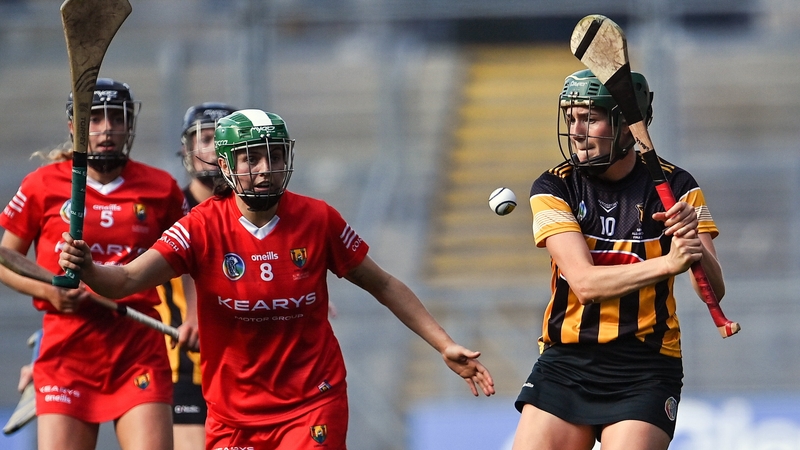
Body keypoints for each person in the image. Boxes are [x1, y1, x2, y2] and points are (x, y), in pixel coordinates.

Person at [59, 108, 496, 450]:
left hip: (312, 401)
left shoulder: (318, 218)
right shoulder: (200, 226)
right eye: (252, 157)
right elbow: (126, 280)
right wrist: (89, 268)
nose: (266, 167)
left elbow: (382, 284)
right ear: (227, 165)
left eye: (275, 154)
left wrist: (443, 343)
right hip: (233, 414)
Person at [510, 69, 725, 450]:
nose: (576, 130)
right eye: (571, 118)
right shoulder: (555, 186)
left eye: (590, 119)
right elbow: (585, 284)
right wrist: (667, 263)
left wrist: (691, 240)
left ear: (627, 125)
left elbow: (715, 290)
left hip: (644, 367)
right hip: (567, 362)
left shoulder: (678, 187)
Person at [0, 78, 188, 450]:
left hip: (137, 350)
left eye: (115, 119)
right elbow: (5, 257)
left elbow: (191, 257)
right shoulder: (42, 184)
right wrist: (50, 292)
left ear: (129, 126)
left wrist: (194, 317)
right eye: (95, 118)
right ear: (75, 126)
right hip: (67, 351)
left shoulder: (161, 187)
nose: (105, 129)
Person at [154, 102, 237, 450]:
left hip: (248, 370)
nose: (212, 146)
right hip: (186, 368)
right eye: (203, 137)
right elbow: (113, 274)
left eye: (220, 138)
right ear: (186, 148)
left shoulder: (256, 210)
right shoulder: (164, 209)